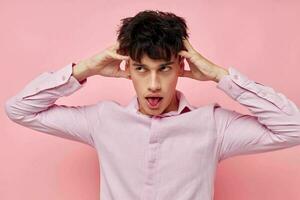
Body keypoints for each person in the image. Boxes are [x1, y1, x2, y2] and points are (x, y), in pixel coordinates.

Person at [4, 9, 300, 200]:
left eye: (164, 69)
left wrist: (218, 75)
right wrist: (84, 68)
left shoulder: (213, 126)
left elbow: (293, 128)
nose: (154, 84)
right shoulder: (103, 121)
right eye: (142, 69)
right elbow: (19, 109)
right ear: (128, 69)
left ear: (181, 66)